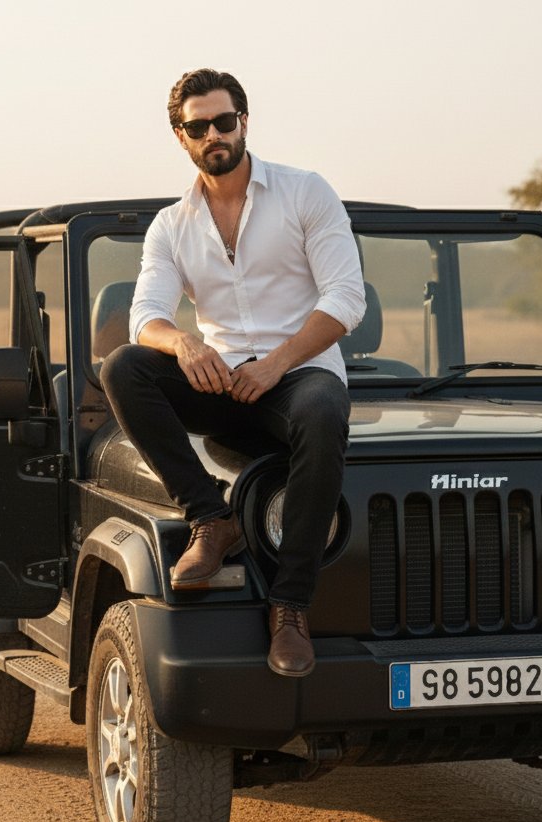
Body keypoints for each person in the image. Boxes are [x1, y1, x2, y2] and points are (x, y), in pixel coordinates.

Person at [100, 68, 365, 678]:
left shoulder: (305, 193)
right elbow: (145, 317)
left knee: (325, 411)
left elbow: (346, 299)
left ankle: (291, 606)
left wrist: (275, 365)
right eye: (199, 126)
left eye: (224, 121)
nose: (214, 134)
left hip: (297, 375)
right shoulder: (171, 224)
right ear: (181, 136)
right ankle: (211, 520)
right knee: (125, 368)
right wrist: (185, 343)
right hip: (220, 380)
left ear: (244, 122)